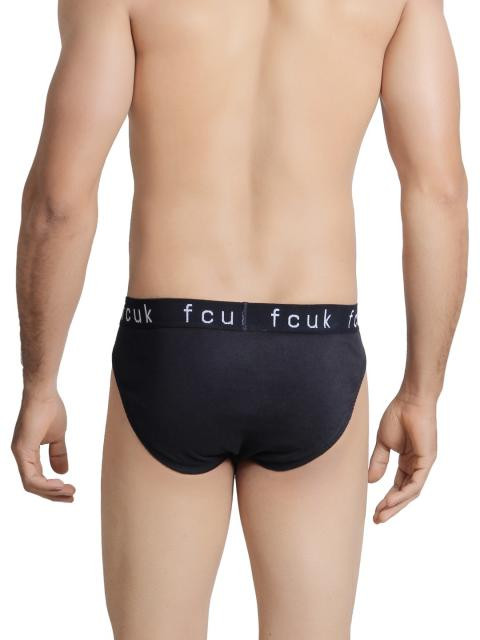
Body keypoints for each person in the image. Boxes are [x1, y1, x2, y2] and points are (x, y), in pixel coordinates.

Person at [11, 1, 468, 638]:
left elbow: (58, 201)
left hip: (172, 348)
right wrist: (422, 393)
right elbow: (438, 192)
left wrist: (40, 383)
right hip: (315, 351)